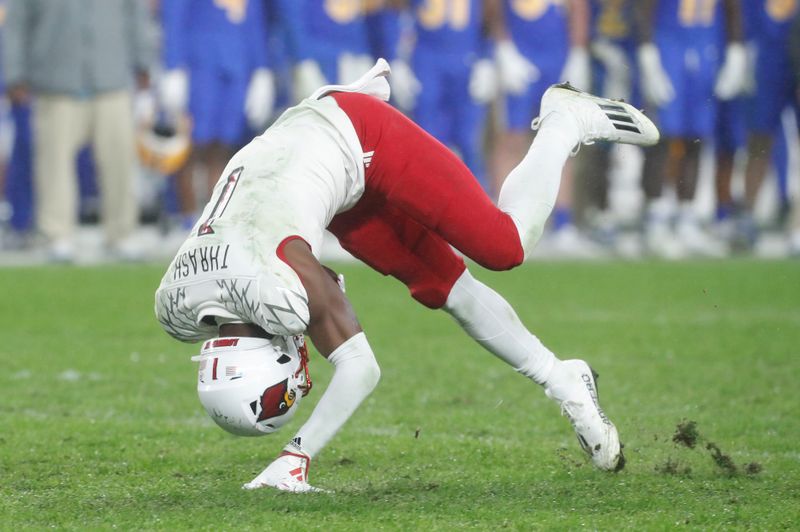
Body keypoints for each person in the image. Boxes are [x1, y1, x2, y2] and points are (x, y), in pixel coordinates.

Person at [155, 60, 658, 492]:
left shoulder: (279, 277)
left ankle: (562, 120)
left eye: (281, 389)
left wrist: (296, 458)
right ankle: (567, 382)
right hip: (312, 168)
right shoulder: (179, 305)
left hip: (358, 136)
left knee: (504, 246)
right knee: (446, 289)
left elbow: (360, 368)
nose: (296, 382)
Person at [2, 0, 155, 262]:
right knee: (54, 165)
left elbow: (136, 14)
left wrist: (144, 62)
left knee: (119, 162)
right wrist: (15, 74)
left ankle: (121, 234)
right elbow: (16, 23)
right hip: (55, 82)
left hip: (111, 79)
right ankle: (57, 235)